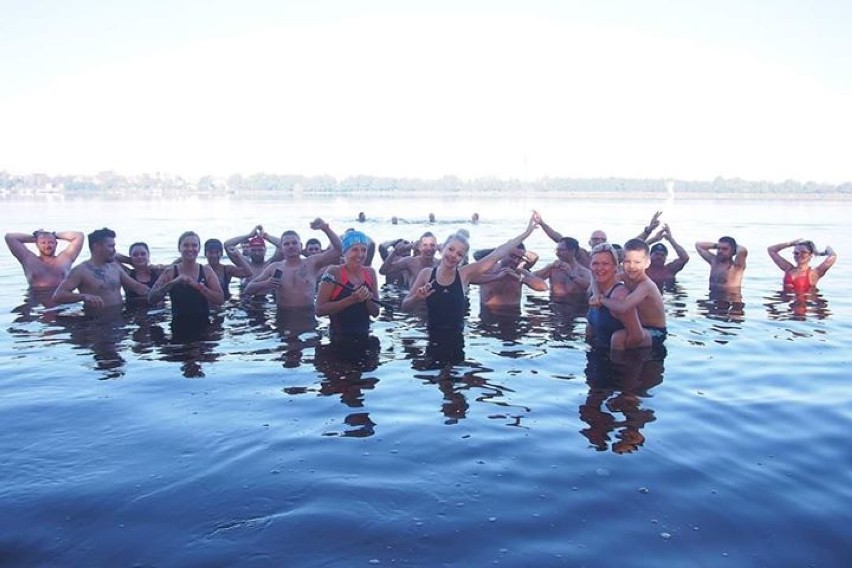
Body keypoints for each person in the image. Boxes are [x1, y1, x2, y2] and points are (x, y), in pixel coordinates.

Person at [401, 214, 539, 365]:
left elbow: (497, 253)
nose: (453, 255)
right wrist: (417, 298)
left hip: (457, 340)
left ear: (463, 258)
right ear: (442, 248)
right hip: (432, 338)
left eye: (459, 254)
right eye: (451, 249)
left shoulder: (465, 274)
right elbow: (405, 306)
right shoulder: (426, 274)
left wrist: (528, 231)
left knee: (451, 381)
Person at [243, 218, 342, 308]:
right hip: (283, 319)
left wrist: (326, 229)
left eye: (294, 243)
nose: (291, 246)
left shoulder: (312, 263)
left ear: (301, 245)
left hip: (307, 318)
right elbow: (248, 289)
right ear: (281, 249)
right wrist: (265, 284)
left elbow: (339, 250)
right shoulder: (274, 268)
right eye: (286, 244)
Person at [148, 231, 225, 341]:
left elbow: (220, 299)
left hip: (204, 325)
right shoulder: (170, 272)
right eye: (186, 245)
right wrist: (173, 283)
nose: (190, 249)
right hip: (178, 325)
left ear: (199, 249)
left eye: (194, 245)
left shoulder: (206, 271)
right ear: (179, 248)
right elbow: (151, 298)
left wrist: (196, 285)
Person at [53, 228, 151, 310]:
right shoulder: (81, 271)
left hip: (120, 318)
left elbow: (137, 287)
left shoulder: (115, 267)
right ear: (97, 247)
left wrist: (159, 289)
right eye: (111, 246)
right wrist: (83, 296)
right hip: (96, 322)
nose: (114, 250)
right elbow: (58, 295)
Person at [595, 239, 665, 349]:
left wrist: (601, 299)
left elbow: (623, 307)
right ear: (622, 261)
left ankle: (617, 364)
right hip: (640, 325)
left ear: (647, 263)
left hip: (655, 331)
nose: (632, 266)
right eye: (628, 261)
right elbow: (600, 279)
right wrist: (595, 294)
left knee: (618, 337)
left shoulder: (646, 285)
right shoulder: (624, 276)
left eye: (637, 262)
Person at [316, 230, 381, 341]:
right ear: (344, 252)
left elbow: (375, 313)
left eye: (363, 250)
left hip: (364, 336)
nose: (360, 254)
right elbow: (319, 310)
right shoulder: (334, 272)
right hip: (338, 338)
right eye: (355, 250)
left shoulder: (370, 273)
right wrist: (352, 299)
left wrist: (368, 298)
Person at [586, 243, 647, 351]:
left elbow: (637, 336)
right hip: (595, 356)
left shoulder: (619, 296)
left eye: (605, 264)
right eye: (595, 263)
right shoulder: (595, 292)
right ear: (590, 266)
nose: (599, 268)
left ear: (615, 267)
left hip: (616, 362)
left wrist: (617, 360)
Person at [471, 243, 548, 310]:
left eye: (519, 258)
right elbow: (468, 278)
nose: (515, 261)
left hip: (513, 315)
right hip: (488, 314)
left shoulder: (520, 271)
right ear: (503, 254)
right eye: (512, 256)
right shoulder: (488, 269)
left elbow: (543, 287)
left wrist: (519, 278)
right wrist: (496, 277)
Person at [5, 228, 85, 291]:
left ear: (56, 244)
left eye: (51, 242)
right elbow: (9, 237)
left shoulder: (65, 258)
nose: (47, 246)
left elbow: (79, 236)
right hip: (35, 299)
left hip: (61, 298)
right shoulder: (28, 259)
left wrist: (53, 235)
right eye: (43, 243)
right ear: (37, 244)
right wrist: (38, 237)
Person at [533, 236, 592, 301]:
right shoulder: (553, 269)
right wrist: (549, 267)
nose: (557, 253)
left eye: (561, 250)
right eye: (557, 250)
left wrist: (572, 276)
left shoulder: (583, 271)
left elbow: (591, 287)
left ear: (572, 251)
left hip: (576, 305)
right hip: (555, 304)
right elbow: (532, 278)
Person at [767, 239, 837, 292]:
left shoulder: (815, 273)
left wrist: (820, 252)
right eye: (796, 253)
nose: (799, 255)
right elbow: (771, 250)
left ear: (810, 255)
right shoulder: (788, 268)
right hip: (788, 305)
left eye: (804, 253)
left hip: (806, 305)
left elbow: (833, 255)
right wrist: (791, 243)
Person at [645, 224, 690, 288]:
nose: (659, 257)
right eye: (656, 254)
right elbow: (631, 252)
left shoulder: (670, 269)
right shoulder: (643, 270)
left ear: (666, 257)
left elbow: (684, 258)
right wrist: (653, 239)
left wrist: (671, 239)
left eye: (662, 255)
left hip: (669, 295)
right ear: (650, 255)